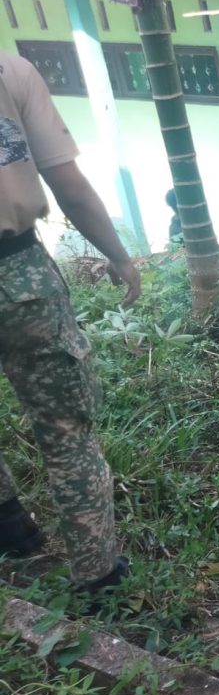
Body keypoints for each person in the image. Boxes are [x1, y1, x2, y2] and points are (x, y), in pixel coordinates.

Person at [0, 51, 140, 594]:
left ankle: (10, 526)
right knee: (65, 430)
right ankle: (97, 574)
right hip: (17, 276)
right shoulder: (11, 71)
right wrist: (118, 255)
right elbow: (68, 183)